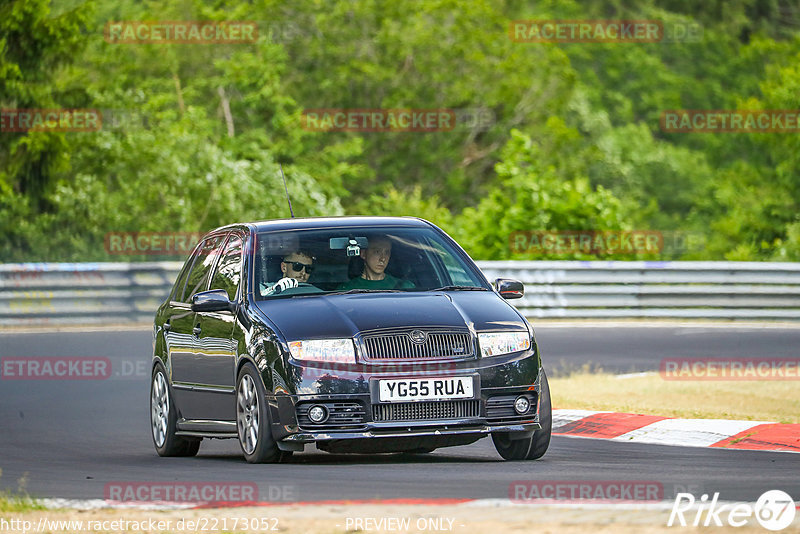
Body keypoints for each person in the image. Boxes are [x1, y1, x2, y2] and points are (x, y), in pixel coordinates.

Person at [338, 235, 413, 290]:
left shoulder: (405, 286)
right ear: (363, 254)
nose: (383, 259)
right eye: (377, 252)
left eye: (387, 252)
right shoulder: (346, 290)